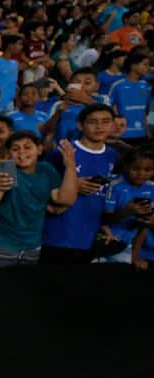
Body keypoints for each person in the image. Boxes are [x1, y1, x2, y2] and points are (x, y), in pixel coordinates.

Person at [0, 131, 78, 268]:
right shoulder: (8, 169)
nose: (21, 153)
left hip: (33, 247)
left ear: (39, 149)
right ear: (9, 153)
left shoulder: (46, 169)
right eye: (15, 149)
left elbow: (65, 199)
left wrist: (70, 165)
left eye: (27, 147)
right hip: (2, 247)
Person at [40, 103, 118, 265]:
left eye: (105, 121)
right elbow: (37, 183)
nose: (99, 126)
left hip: (89, 237)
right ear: (80, 125)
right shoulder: (62, 151)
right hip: (57, 234)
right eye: (93, 122)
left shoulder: (112, 155)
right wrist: (72, 185)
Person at [108, 52, 151, 144]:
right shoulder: (117, 85)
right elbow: (109, 108)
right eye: (145, 64)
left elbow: (144, 111)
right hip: (123, 135)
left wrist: (148, 132)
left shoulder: (145, 85)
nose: (147, 68)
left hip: (142, 134)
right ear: (133, 66)